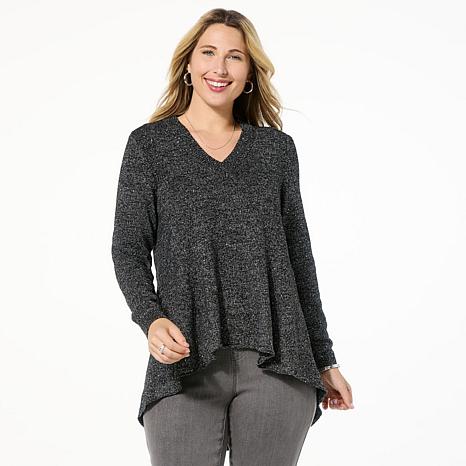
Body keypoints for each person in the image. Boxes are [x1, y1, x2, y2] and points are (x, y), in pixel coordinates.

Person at [111, 8, 354, 466]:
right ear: (188, 64)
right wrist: (150, 318)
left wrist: (325, 359)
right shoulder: (149, 146)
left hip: (280, 362)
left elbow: (299, 260)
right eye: (208, 53)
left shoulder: (276, 150)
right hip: (184, 366)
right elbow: (127, 248)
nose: (219, 68)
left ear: (250, 73)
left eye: (235, 57)